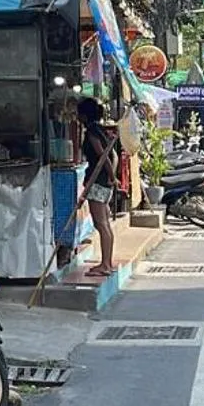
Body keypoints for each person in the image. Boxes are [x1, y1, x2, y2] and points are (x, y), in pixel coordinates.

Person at [76, 97, 118, 277]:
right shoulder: (101, 131)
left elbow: (104, 157)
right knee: (105, 224)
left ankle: (106, 265)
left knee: (101, 224)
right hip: (102, 181)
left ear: (84, 115)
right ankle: (106, 263)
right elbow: (113, 156)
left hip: (97, 182)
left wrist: (111, 176)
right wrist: (111, 177)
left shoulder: (92, 133)